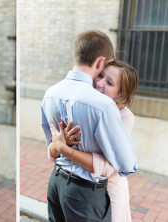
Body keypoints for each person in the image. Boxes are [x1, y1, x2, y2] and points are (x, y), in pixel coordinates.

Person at [41, 30, 137, 222]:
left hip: (61, 184)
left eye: (109, 82)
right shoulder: (101, 105)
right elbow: (126, 164)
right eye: (100, 76)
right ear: (100, 63)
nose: (99, 83)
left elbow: (111, 168)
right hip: (82, 190)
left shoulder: (50, 93)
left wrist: (63, 149)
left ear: (121, 94)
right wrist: (60, 146)